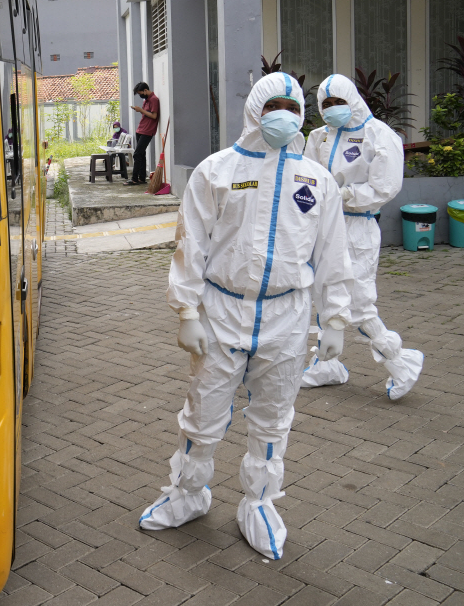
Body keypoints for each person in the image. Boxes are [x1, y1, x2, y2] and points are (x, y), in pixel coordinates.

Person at [139, 72, 353, 560]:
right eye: (274, 105)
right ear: (255, 109)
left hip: (287, 316)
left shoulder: (316, 180)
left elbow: (333, 254)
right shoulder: (216, 171)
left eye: (293, 108)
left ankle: (259, 503)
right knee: (203, 413)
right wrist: (186, 311)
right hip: (222, 311)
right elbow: (190, 244)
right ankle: (188, 493)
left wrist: (336, 319)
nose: (284, 116)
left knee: (274, 419)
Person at [300, 74, 424, 399]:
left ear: (353, 100)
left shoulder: (379, 135)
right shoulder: (318, 137)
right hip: (323, 226)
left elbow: (386, 186)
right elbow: (306, 177)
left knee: (357, 302)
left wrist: (345, 195)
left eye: (338, 101)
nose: (332, 108)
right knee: (324, 294)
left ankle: (400, 362)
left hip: (357, 227)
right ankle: (327, 364)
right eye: (326, 103)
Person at [127, 82, 159, 185]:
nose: (140, 95)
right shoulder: (146, 100)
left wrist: (141, 110)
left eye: (140, 93)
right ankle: (142, 178)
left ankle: (134, 179)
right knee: (141, 154)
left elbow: (154, 116)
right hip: (141, 129)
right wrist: (139, 110)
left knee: (137, 154)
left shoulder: (154, 100)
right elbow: (146, 114)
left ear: (145, 90)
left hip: (148, 131)